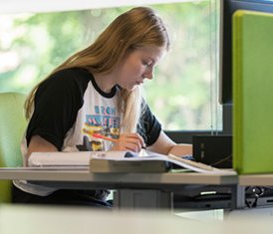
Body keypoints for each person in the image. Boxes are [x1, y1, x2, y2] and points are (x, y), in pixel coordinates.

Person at [12, 6, 192, 207]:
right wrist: (108, 157)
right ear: (121, 48)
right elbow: (38, 160)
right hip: (48, 202)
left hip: (92, 203)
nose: (150, 75)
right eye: (146, 62)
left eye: (153, 66)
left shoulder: (129, 98)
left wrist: (215, 155)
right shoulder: (67, 86)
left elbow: (168, 150)